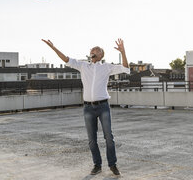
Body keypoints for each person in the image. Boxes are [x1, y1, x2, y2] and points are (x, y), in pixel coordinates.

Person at [42, 38, 130, 176]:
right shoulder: (83, 65)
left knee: (109, 137)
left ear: (101, 54)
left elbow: (125, 67)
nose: (92, 51)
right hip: (88, 108)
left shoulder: (107, 67)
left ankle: (112, 165)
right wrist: (53, 47)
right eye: (91, 50)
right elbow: (66, 59)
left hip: (103, 106)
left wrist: (123, 52)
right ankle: (97, 165)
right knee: (91, 139)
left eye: (95, 50)